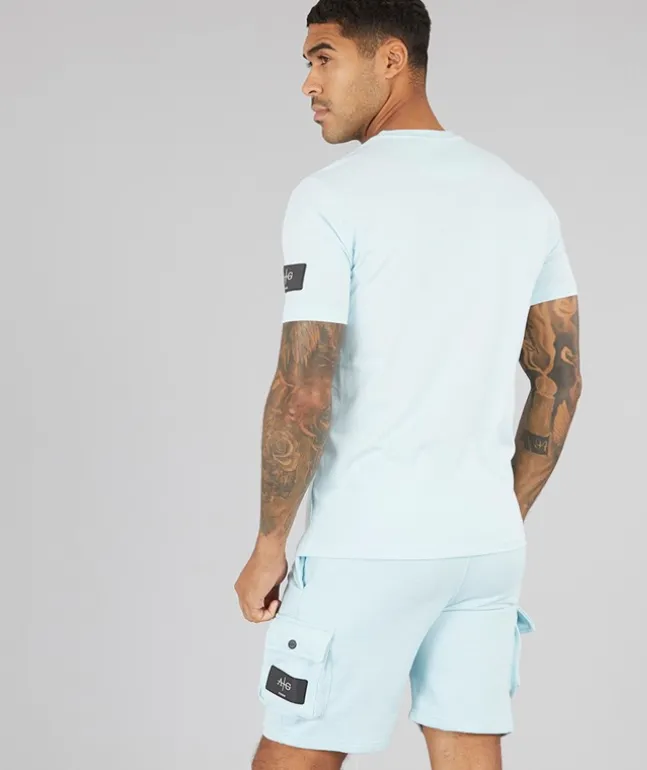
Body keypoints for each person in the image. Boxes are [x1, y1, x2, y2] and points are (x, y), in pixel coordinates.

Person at [234, 1, 582, 768]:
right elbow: (560, 381)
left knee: (299, 751)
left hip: (368, 542)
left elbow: (303, 387)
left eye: (323, 58)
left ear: (390, 59)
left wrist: (269, 543)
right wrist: (499, 510)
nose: (308, 83)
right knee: (466, 745)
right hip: (485, 548)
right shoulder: (522, 197)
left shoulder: (331, 197)